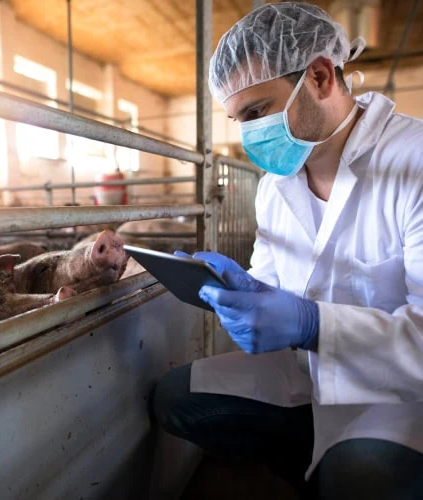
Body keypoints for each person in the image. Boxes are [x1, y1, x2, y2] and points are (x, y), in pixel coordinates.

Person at [153, 3, 423, 499]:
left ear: (320, 76)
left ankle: (349, 471)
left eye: (256, 112)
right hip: (310, 376)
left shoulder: (415, 161)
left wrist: (312, 324)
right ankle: (316, 469)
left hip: (404, 395)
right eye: (238, 119)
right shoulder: (276, 185)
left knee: (365, 475)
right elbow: (274, 285)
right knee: (177, 398)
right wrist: (246, 288)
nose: (249, 134)